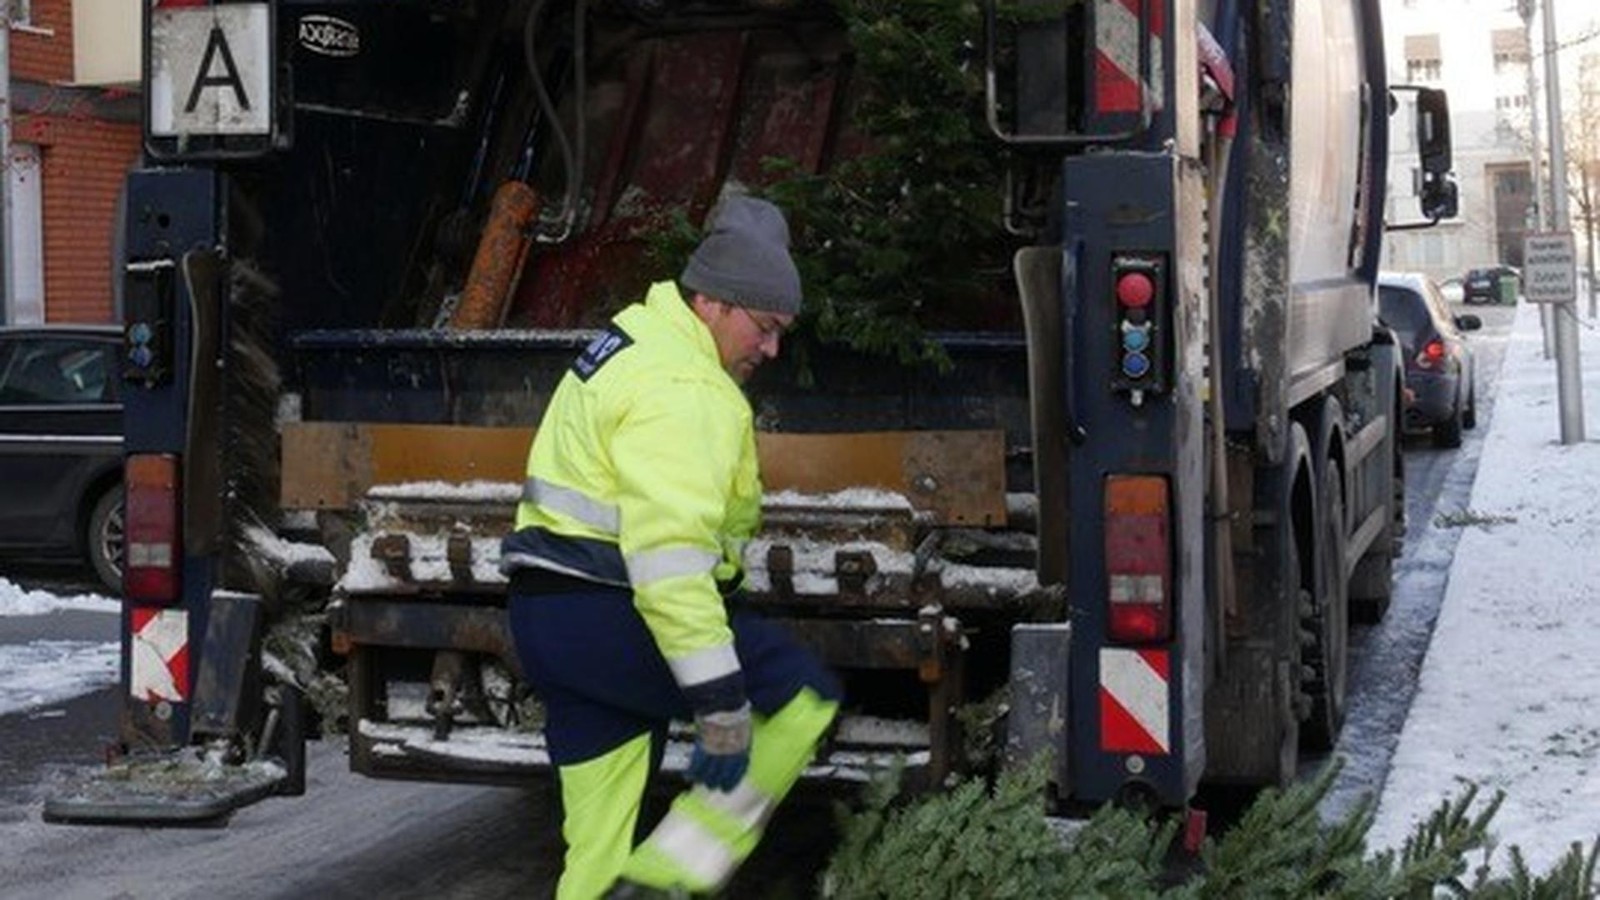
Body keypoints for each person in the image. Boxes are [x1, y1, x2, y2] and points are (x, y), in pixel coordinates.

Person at [501, 195, 842, 899]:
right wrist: (720, 703)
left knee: (597, 852)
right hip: (613, 611)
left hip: (548, 618)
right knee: (800, 697)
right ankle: (667, 879)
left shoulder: (630, 342)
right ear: (713, 301)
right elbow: (670, 564)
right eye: (765, 328)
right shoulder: (687, 386)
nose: (771, 350)